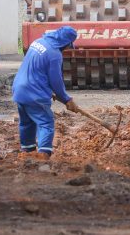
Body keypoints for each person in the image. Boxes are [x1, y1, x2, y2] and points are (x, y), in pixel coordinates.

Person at [12, 26, 79, 158]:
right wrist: (66, 99)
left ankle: (27, 152)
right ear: (65, 42)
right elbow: (56, 81)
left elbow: (37, 69)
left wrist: (47, 89)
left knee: (27, 122)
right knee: (46, 123)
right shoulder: (54, 55)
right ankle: (43, 156)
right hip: (34, 93)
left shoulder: (38, 42)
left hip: (19, 89)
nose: (67, 48)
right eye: (68, 45)